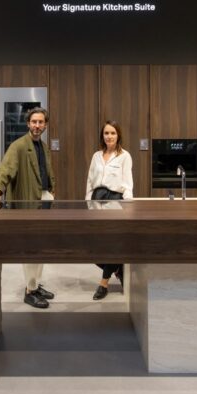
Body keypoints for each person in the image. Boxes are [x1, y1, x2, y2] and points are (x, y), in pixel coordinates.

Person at [0, 107, 56, 309]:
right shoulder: (19, 146)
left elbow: (46, 172)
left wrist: (51, 192)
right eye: (34, 122)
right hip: (29, 202)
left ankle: (35, 284)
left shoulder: (44, 146)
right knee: (31, 247)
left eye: (41, 122)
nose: (37, 126)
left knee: (41, 246)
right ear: (28, 123)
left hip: (44, 199)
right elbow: (6, 168)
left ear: (45, 125)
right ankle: (30, 291)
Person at [85, 120, 133, 300]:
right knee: (93, 246)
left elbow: (128, 183)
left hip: (115, 200)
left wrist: (127, 206)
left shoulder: (124, 156)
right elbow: (90, 181)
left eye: (113, 133)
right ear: (102, 136)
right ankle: (118, 267)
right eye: (106, 133)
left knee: (112, 243)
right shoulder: (96, 156)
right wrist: (88, 202)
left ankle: (103, 283)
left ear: (118, 135)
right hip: (97, 199)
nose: (109, 136)